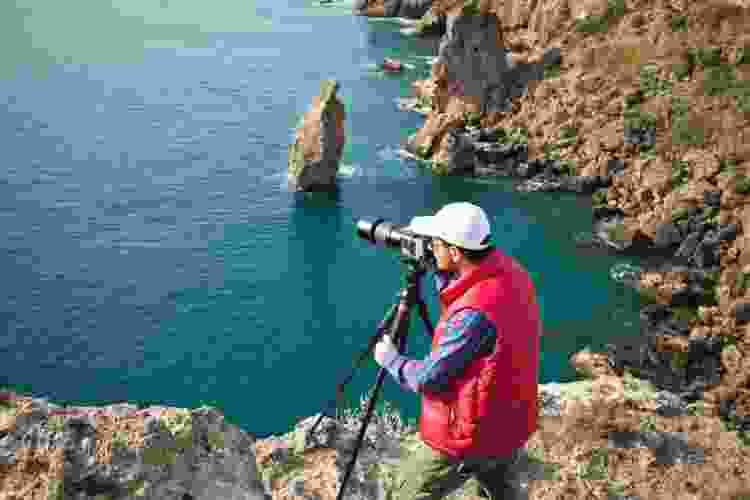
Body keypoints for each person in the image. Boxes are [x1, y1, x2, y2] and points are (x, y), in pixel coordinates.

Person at [373, 202, 541, 500]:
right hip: (512, 420)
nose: (429, 248)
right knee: (498, 490)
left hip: (472, 435)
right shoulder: (511, 272)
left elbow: (428, 378)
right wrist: (438, 271)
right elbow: (469, 295)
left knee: (406, 494)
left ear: (454, 252)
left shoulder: (473, 314)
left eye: (435, 243)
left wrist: (392, 360)